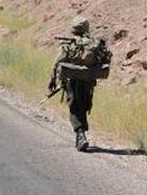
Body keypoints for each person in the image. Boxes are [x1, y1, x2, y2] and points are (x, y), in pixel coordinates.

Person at [48, 16, 112, 152]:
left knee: (75, 106)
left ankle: (80, 134)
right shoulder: (94, 43)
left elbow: (57, 63)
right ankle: (82, 133)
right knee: (83, 104)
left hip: (72, 79)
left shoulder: (70, 44)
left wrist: (52, 80)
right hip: (89, 80)